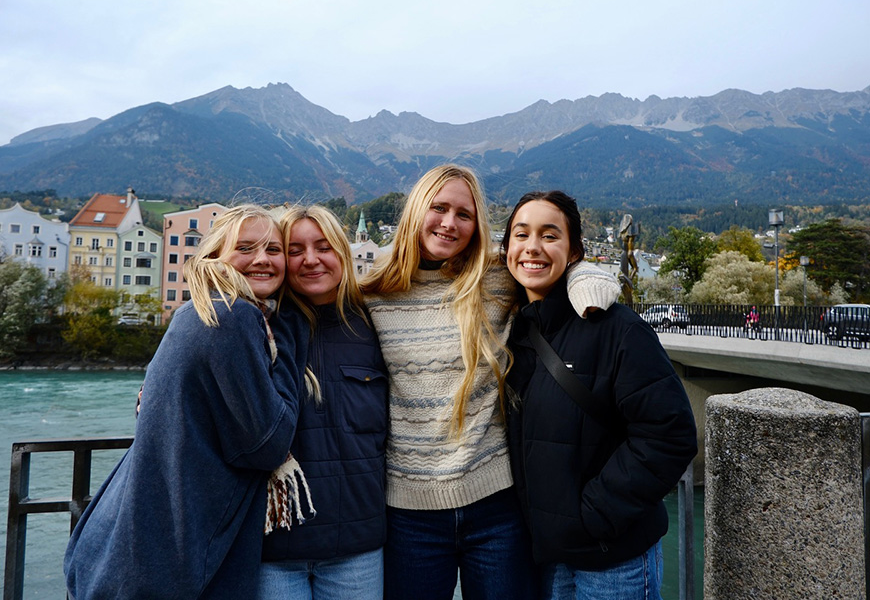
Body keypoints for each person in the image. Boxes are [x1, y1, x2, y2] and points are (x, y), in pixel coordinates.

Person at [360, 165, 621, 600]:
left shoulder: (497, 279)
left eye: (464, 214)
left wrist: (587, 276)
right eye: (438, 208)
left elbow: (545, 263)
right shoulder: (373, 295)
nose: (449, 223)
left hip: (497, 504)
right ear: (414, 212)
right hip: (409, 513)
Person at [64, 205, 309, 599]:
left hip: (124, 546)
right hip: (176, 558)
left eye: (273, 249)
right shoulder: (235, 315)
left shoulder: (195, 311)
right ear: (216, 258)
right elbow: (269, 443)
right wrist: (292, 330)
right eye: (245, 248)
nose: (262, 259)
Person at [501, 190, 698, 600]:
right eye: (521, 235)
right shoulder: (517, 333)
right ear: (507, 249)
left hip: (613, 558)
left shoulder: (616, 328)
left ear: (574, 252)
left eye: (549, 235)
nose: (532, 247)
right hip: (550, 556)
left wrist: (592, 516)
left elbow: (670, 434)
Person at [258, 204, 389, 599]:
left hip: (357, 547)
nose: (311, 260)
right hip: (271, 549)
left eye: (324, 246)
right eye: (295, 249)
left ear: (344, 253)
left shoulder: (376, 323)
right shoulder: (254, 325)